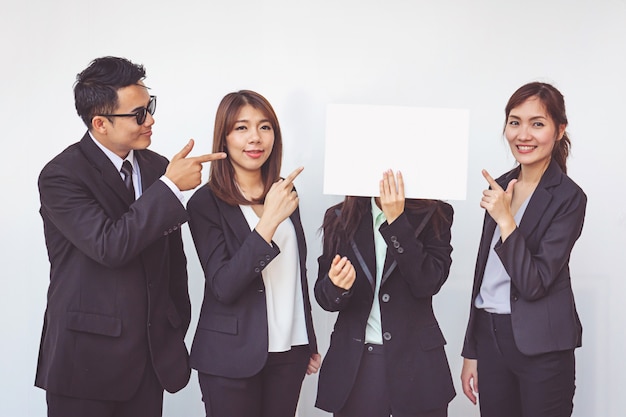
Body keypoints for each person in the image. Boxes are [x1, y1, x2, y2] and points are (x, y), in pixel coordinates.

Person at [35, 56, 226, 417]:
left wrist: (173, 322)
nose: (150, 120)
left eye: (149, 107)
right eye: (138, 114)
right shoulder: (61, 175)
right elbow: (110, 245)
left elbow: (173, 262)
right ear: (100, 123)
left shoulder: (156, 167)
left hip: (149, 361)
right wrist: (170, 188)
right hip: (84, 366)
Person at [186, 90, 320, 417]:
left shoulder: (284, 191)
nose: (255, 138)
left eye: (265, 127)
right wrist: (269, 222)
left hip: (289, 351)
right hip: (230, 354)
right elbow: (224, 285)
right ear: (224, 137)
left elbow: (296, 271)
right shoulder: (205, 203)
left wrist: (309, 340)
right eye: (242, 128)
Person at [460, 82, 587, 417]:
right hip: (491, 338)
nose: (523, 134)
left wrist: (506, 220)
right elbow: (484, 275)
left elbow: (534, 283)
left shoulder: (569, 198)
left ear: (560, 130)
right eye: (515, 122)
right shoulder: (501, 185)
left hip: (542, 348)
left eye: (537, 123)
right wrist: (472, 350)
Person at [314, 170, 456, 417]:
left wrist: (397, 222)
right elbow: (325, 297)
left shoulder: (437, 214)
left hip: (417, 365)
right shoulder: (338, 217)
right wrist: (336, 285)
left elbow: (428, 283)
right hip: (358, 365)